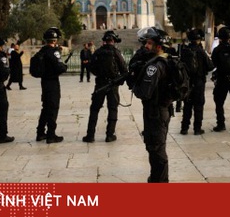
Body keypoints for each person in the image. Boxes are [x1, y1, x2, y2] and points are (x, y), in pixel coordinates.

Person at [132, 27, 173, 182]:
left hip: (155, 112)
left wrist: (135, 84)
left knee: (156, 148)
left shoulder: (154, 66)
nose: (146, 46)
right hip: (162, 110)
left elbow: (144, 92)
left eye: (149, 43)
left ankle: (160, 181)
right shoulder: (166, 60)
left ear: (159, 46)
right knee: (156, 146)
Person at [82, 30, 128, 143]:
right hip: (112, 85)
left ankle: (90, 135)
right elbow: (124, 70)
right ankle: (110, 134)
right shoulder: (116, 52)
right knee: (112, 109)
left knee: (94, 109)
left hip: (100, 84)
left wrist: (100, 74)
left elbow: (91, 67)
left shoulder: (97, 52)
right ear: (113, 41)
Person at [35, 27, 68, 144]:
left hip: (44, 82)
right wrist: (65, 67)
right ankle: (51, 135)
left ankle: (40, 132)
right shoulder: (53, 52)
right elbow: (60, 67)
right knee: (53, 108)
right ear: (54, 40)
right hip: (52, 83)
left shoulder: (42, 51)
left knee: (46, 108)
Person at [179, 28, 213, 135]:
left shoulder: (184, 51)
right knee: (198, 105)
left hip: (187, 82)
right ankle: (197, 129)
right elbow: (210, 66)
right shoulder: (201, 52)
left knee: (187, 105)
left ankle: (184, 128)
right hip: (199, 82)